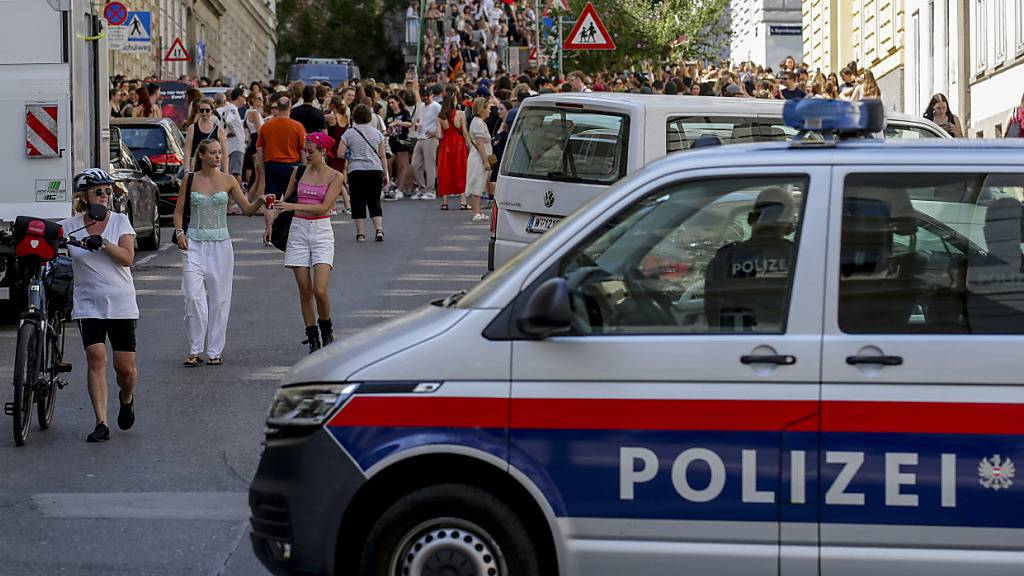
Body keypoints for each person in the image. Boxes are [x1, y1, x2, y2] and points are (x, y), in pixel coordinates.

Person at [172, 139, 267, 367]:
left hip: (221, 245)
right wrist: (179, 233)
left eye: (219, 153)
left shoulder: (229, 180)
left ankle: (214, 350)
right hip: (193, 243)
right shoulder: (190, 179)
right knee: (193, 297)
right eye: (213, 153)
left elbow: (246, 210)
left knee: (220, 298)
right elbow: (178, 212)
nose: (217, 156)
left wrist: (260, 201)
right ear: (202, 155)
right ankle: (195, 349)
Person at [61, 169, 139, 443]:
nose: (104, 196)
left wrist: (104, 243)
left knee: (125, 370)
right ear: (84, 196)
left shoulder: (120, 222)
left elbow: (128, 258)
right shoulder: (70, 225)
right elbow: (51, 240)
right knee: (96, 358)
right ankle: (101, 423)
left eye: (107, 191)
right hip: (88, 304)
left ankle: (126, 398)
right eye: (98, 191)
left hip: (121, 303)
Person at [276, 133, 345, 353]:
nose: (306, 154)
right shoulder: (298, 171)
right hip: (298, 230)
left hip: (321, 231)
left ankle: (327, 331)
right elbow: (285, 201)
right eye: (305, 150)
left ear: (323, 151)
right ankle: (313, 338)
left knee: (320, 290)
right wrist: (274, 210)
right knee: (305, 291)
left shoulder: (335, 176)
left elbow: (325, 207)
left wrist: (293, 207)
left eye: (311, 151)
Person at [257, 97, 307, 244]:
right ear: (290, 108)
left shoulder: (266, 126)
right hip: (292, 166)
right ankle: (287, 231)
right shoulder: (297, 126)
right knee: (290, 200)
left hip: (271, 165)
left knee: (270, 200)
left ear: (277, 108)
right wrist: (303, 169)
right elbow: (303, 149)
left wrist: (261, 166)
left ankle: (269, 230)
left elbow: (259, 148)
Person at [337, 104, 389, 242]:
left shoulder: (349, 133)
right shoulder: (376, 133)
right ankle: (379, 230)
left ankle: (361, 233)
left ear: (354, 116)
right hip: (375, 169)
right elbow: (382, 155)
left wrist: (353, 156)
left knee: (358, 200)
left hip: (356, 170)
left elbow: (340, 153)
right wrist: (386, 173)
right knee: (374, 200)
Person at [436, 85, 469, 210]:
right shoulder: (460, 114)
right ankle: (463, 201)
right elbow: (465, 132)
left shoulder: (440, 117)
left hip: (445, 145)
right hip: (459, 144)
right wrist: (469, 145)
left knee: (445, 171)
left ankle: (444, 202)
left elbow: (439, 135)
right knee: (461, 170)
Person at [411, 84, 442, 199]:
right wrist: (417, 126)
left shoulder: (437, 106)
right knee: (415, 164)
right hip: (420, 136)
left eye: (427, 95)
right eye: (423, 95)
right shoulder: (421, 107)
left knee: (430, 165)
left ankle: (431, 190)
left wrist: (436, 132)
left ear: (432, 95)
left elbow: (444, 120)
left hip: (431, 138)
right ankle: (422, 187)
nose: (425, 97)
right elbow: (419, 121)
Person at [464, 97, 493, 221]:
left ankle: (478, 212)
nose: (490, 111)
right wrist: (485, 160)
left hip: (479, 157)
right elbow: (480, 144)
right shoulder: (478, 123)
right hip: (479, 158)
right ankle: (476, 212)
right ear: (482, 109)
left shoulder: (478, 121)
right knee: (477, 183)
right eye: (489, 109)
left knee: (479, 184)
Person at [183, 98, 228, 172]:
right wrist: (186, 169)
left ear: (211, 111)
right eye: (202, 110)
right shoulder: (192, 128)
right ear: (198, 111)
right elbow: (188, 150)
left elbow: (224, 152)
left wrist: (226, 171)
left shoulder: (218, 129)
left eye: (207, 110)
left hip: (214, 169)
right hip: (196, 167)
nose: (204, 113)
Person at [324, 95, 352, 214]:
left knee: (333, 178)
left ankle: (335, 206)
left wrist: (324, 106)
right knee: (339, 177)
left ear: (333, 106)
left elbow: (319, 117)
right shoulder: (345, 117)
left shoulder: (331, 117)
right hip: (342, 149)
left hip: (332, 149)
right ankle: (345, 205)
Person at [385, 95, 414, 200]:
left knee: (402, 166)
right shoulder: (389, 115)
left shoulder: (404, 113)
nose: (391, 105)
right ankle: (390, 185)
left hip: (403, 140)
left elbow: (409, 124)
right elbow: (387, 128)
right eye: (389, 103)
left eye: (393, 102)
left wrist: (398, 123)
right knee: (388, 164)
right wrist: (387, 132)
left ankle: (401, 189)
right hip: (392, 141)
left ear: (398, 101)